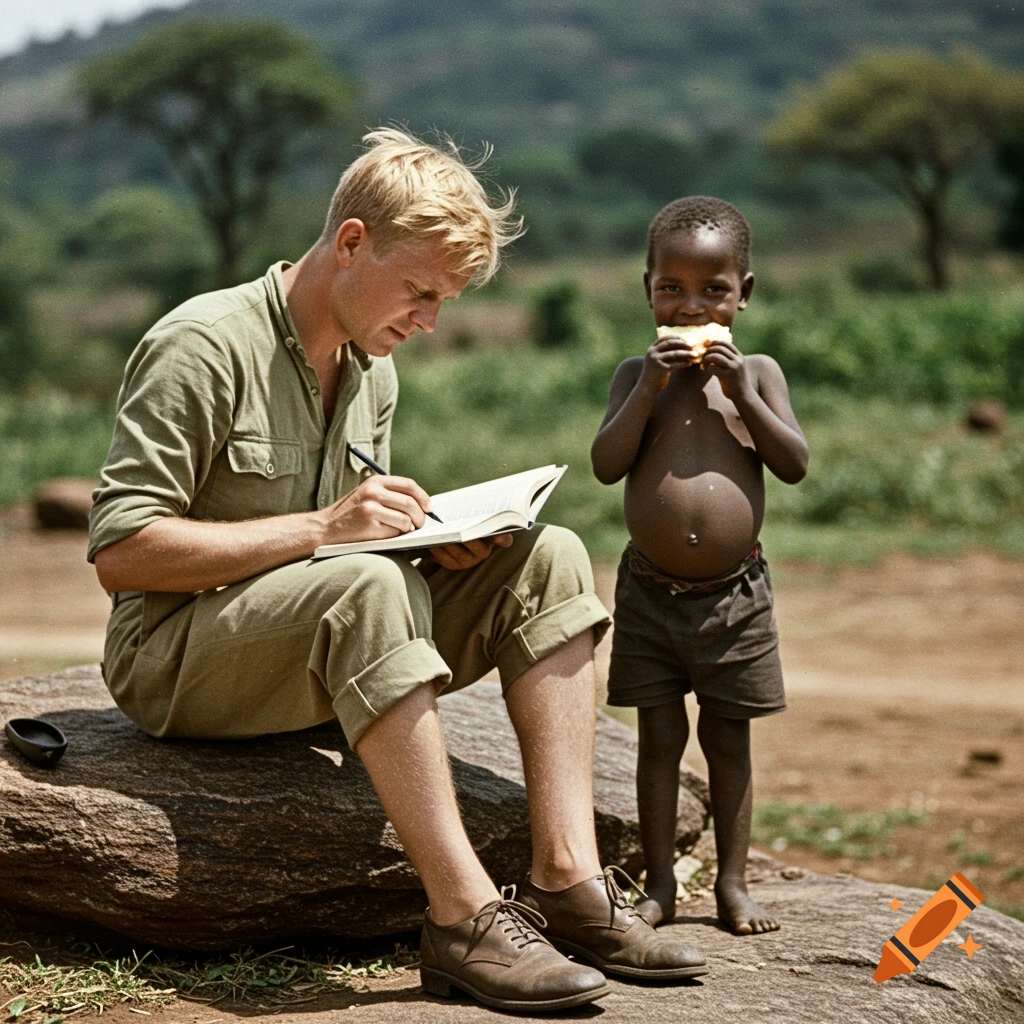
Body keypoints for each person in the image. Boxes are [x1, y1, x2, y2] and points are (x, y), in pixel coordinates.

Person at [87, 129, 707, 1013]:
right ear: (350, 244)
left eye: (444, 300)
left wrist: (430, 541)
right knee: (369, 588)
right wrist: (325, 529)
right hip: (175, 660)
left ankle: (566, 880)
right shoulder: (202, 345)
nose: (429, 320)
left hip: (311, 634)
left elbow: (346, 543)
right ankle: (462, 921)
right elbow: (121, 554)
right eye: (421, 291)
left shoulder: (372, 370)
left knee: (551, 556)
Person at [591, 196, 809, 935]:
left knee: (728, 739)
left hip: (734, 597)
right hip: (650, 597)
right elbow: (605, 464)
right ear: (646, 289)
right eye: (671, 289)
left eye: (713, 290)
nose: (691, 307)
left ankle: (733, 885)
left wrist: (745, 391)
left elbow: (794, 465)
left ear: (744, 292)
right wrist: (648, 388)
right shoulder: (633, 375)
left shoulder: (761, 374)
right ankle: (657, 886)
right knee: (658, 739)